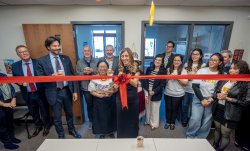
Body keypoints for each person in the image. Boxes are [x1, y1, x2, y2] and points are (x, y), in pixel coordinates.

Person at [37, 36, 81, 139]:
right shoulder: (41, 61)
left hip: (66, 90)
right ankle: (61, 134)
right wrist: (51, 77)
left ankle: (71, 130)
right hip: (53, 92)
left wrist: (75, 91)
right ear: (48, 47)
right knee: (57, 117)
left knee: (70, 113)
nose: (57, 48)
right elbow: (40, 78)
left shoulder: (66, 58)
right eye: (54, 46)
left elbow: (72, 75)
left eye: (58, 45)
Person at [12, 45, 50, 137]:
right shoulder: (15, 66)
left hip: (40, 92)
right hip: (27, 94)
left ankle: (46, 126)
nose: (23, 53)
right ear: (18, 55)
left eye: (25, 51)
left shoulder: (38, 62)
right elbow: (15, 79)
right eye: (20, 52)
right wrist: (19, 83)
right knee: (33, 112)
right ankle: (38, 126)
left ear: (28, 51)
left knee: (44, 111)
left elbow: (45, 76)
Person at [212, 60, 250, 151]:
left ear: (242, 70)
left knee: (225, 134)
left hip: (231, 113)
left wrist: (228, 99)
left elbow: (246, 102)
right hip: (219, 108)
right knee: (217, 129)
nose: (231, 70)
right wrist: (217, 94)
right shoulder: (225, 78)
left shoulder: (247, 83)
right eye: (231, 68)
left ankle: (219, 150)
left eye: (235, 69)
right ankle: (214, 146)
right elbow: (217, 90)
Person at [186, 53, 224, 138]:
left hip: (212, 100)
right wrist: (202, 99)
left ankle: (201, 137)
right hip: (198, 97)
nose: (212, 61)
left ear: (220, 63)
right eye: (211, 59)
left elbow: (219, 89)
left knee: (207, 121)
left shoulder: (221, 74)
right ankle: (190, 135)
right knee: (195, 119)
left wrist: (211, 99)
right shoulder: (202, 71)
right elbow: (195, 86)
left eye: (215, 60)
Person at [115, 48, 140, 138]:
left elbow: (135, 83)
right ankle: (121, 139)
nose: (124, 58)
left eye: (126, 56)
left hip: (132, 98)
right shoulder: (118, 68)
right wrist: (114, 85)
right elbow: (115, 85)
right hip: (120, 98)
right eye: (122, 56)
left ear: (130, 57)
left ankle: (133, 137)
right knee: (121, 119)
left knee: (132, 119)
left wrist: (125, 77)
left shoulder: (136, 68)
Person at [88, 60, 117, 138]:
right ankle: (101, 133)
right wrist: (99, 95)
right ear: (97, 68)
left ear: (107, 68)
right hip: (99, 101)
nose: (102, 68)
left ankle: (111, 131)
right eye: (100, 67)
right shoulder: (94, 78)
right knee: (100, 117)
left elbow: (116, 89)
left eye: (104, 66)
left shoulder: (112, 77)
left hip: (110, 100)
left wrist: (113, 91)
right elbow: (91, 91)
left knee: (111, 116)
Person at [181, 48, 206, 127]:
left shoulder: (203, 66)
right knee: (184, 106)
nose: (194, 56)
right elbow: (185, 77)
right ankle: (185, 120)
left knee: (193, 109)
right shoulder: (186, 64)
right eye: (193, 54)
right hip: (186, 89)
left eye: (197, 54)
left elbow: (202, 79)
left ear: (200, 56)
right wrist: (191, 75)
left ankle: (191, 123)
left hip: (196, 91)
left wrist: (193, 74)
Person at [76, 45, 98, 129]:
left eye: (88, 50)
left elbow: (101, 72)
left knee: (97, 105)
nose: (87, 52)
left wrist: (93, 71)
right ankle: (91, 122)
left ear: (91, 52)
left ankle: (98, 121)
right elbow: (77, 74)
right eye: (85, 51)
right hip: (85, 88)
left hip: (96, 87)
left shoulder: (97, 61)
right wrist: (84, 73)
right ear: (83, 53)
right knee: (90, 106)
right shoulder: (79, 62)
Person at [164, 54, 188, 130]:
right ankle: (168, 122)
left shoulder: (184, 71)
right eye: (175, 60)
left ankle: (172, 123)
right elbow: (165, 81)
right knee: (168, 108)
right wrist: (168, 77)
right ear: (172, 61)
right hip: (168, 92)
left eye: (178, 60)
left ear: (181, 62)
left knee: (175, 109)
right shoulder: (168, 69)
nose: (176, 62)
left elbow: (185, 83)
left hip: (178, 94)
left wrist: (177, 77)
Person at [142, 54, 166, 130]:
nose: (157, 61)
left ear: (162, 62)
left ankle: (154, 124)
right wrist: (147, 90)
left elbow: (162, 84)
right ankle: (148, 121)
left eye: (159, 60)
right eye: (156, 60)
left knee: (155, 109)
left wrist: (154, 91)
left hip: (156, 92)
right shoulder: (149, 69)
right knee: (148, 107)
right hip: (147, 91)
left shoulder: (163, 71)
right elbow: (145, 79)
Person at [0, 73, 21, 150]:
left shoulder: (3, 75)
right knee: (2, 126)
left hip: (9, 102)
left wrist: (13, 98)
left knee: (10, 122)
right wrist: (3, 104)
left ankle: (12, 137)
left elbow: (11, 88)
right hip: (1, 104)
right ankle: (7, 143)